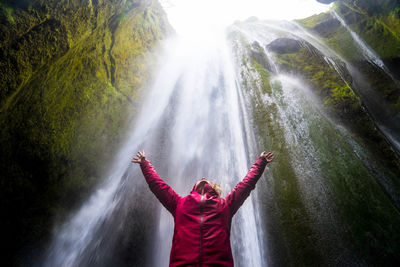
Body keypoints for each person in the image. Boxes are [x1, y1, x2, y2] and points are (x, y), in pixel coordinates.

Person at [132, 150, 274, 267]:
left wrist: (260, 162)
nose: (205, 177)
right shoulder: (179, 204)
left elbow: (246, 185)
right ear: (193, 188)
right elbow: (158, 187)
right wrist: (145, 164)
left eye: (210, 181)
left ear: (215, 189)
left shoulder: (225, 205)